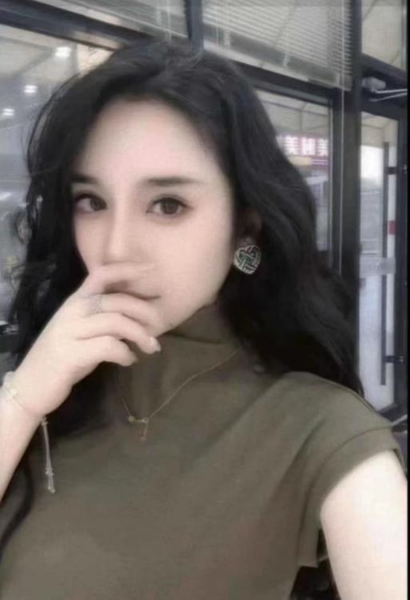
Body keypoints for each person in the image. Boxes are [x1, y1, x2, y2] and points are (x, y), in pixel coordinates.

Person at [0, 38, 406, 599]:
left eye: (168, 205)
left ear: (245, 227)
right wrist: (23, 398)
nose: (115, 248)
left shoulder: (319, 430)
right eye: (91, 201)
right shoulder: (46, 381)